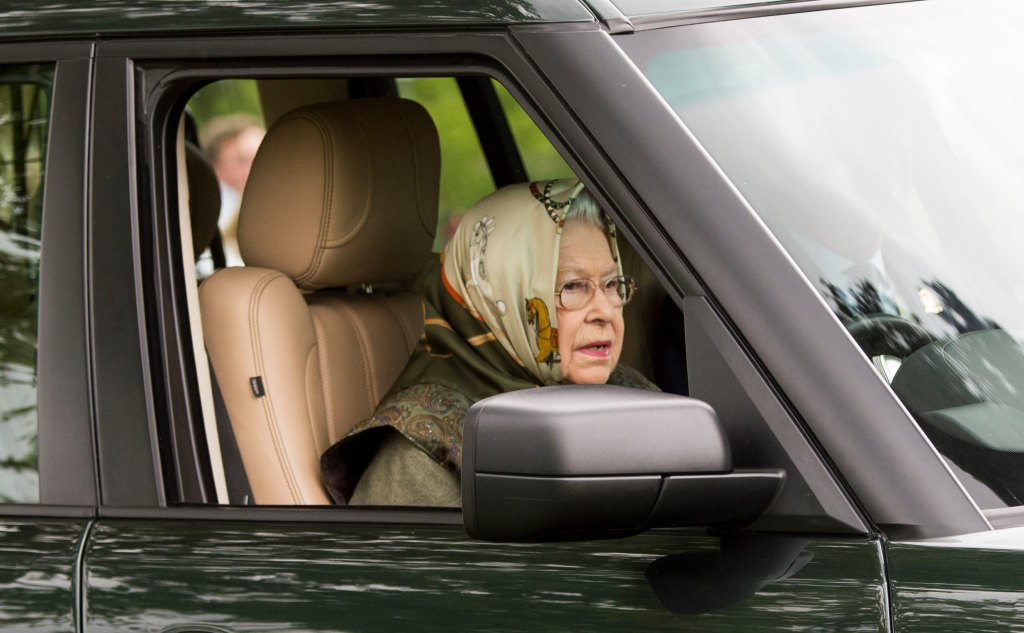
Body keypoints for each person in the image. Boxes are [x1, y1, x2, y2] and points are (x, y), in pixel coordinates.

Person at [320, 179, 658, 507]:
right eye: (572, 287)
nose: (605, 312)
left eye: (611, 284)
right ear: (500, 298)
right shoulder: (424, 452)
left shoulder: (629, 394)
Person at [202, 114, 265, 267]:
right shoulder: (218, 209)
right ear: (213, 166)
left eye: (262, 157)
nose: (256, 167)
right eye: (242, 160)